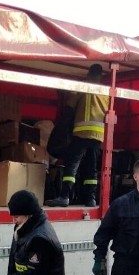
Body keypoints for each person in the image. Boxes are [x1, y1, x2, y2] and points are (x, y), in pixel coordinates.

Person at [45, 64, 109, 208]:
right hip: (98, 135)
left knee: (72, 165)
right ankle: (90, 199)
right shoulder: (105, 91)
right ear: (101, 75)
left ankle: (64, 196)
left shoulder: (82, 87)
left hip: (81, 132)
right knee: (91, 167)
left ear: (88, 73)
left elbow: (69, 106)